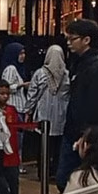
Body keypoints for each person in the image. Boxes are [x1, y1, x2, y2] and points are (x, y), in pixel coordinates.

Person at [56, 19, 98, 192]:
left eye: (72, 38)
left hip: (85, 134)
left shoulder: (97, 67)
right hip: (74, 130)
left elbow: (96, 104)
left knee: (74, 179)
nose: (68, 43)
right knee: (67, 179)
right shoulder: (79, 62)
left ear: (87, 40)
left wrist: (86, 134)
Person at [26, 44, 70, 178]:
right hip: (61, 115)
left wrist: (28, 110)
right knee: (58, 146)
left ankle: (43, 172)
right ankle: (56, 171)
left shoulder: (40, 73)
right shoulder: (66, 74)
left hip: (43, 114)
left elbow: (33, 93)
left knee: (43, 146)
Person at [0, 80, 35, 194]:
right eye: (2, 93)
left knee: (13, 184)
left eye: (7, 94)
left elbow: (20, 128)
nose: (5, 96)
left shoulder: (12, 110)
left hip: (12, 156)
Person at [0, 42, 31, 172]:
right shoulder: (11, 69)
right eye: (20, 53)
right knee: (15, 138)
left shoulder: (19, 68)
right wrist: (22, 85)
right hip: (13, 107)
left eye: (24, 53)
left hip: (19, 106)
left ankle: (18, 163)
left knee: (19, 138)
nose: (23, 56)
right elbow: (6, 87)